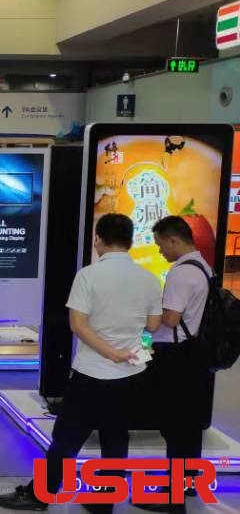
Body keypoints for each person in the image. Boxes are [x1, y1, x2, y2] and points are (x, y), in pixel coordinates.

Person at [0, 213, 162, 512]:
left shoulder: (88, 275)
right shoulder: (148, 278)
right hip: (131, 373)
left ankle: (40, 495)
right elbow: (152, 325)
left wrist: (110, 352)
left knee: (67, 438)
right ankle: (104, 501)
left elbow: (78, 325)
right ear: (130, 241)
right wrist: (125, 348)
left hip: (91, 373)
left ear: (98, 239)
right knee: (115, 437)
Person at [133, 216, 216, 513]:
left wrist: (143, 316)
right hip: (195, 354)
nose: (159, 251)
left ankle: (173, 496)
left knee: (175, 424)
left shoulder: (181, 273)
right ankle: (187, 482)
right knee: (190, 423)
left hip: (175, 356)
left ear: (173, 240)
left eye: (160, 245)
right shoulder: (204, 267)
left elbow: (169, 319)